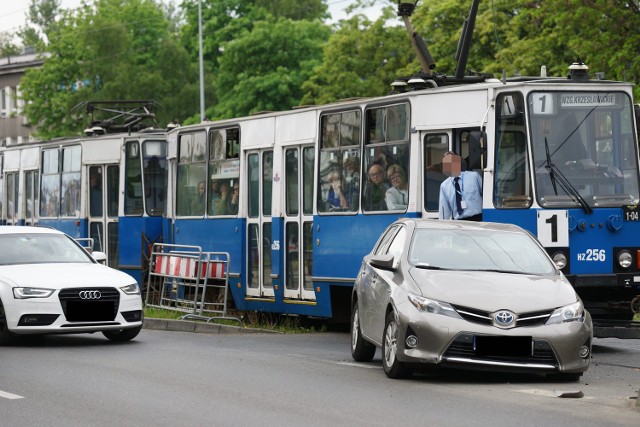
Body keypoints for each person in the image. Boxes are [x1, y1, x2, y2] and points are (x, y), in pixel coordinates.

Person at [438, 152, 483, 220]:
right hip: (459, 222)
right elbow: (444, 212)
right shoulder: (444, 186)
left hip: (478, 219)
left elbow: (486, 196)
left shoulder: (474, 176)